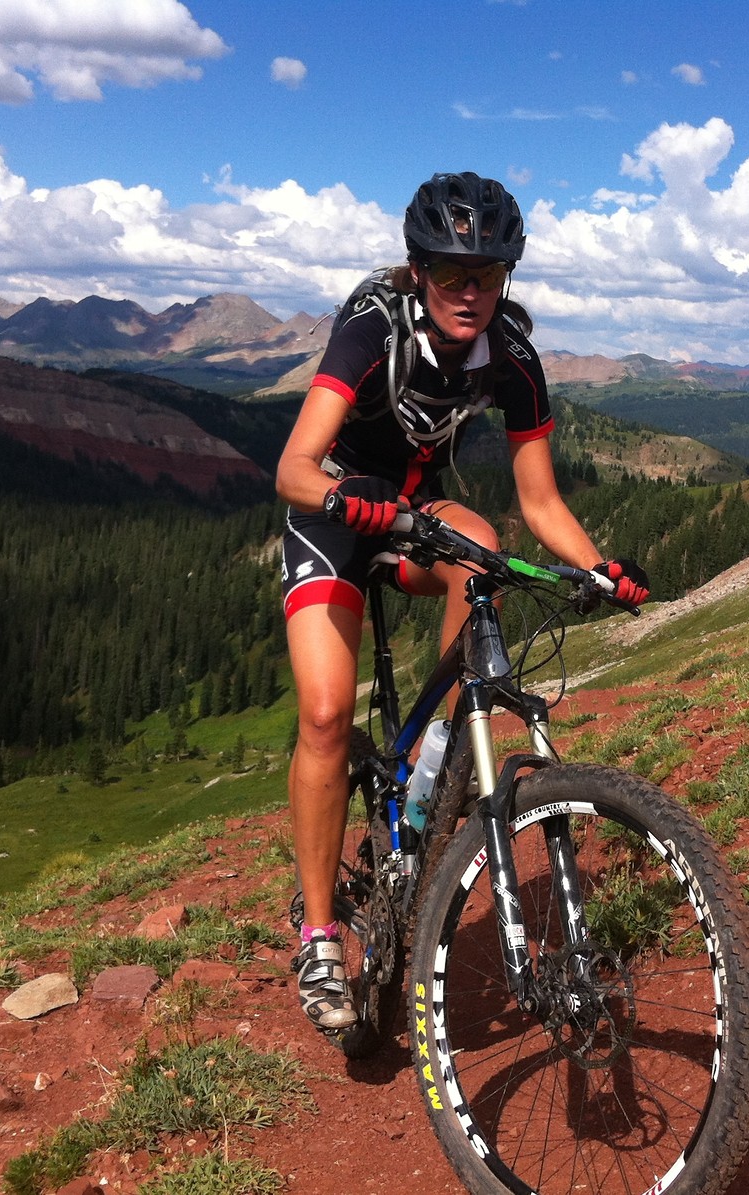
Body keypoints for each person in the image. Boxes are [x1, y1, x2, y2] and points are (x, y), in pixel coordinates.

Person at [275, 171, 649, 1032]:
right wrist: (343, 499)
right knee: (327, 715)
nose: (471, 292)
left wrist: (602, 567)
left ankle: (435, 760)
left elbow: (541, 502)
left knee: (482, 551)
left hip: (410, 514)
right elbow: (293, 467)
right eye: (451, 274)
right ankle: (321, 931)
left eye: (490, 273)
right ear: (418, 272)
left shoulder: (512, 356)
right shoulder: (372, 327)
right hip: (331, 512)